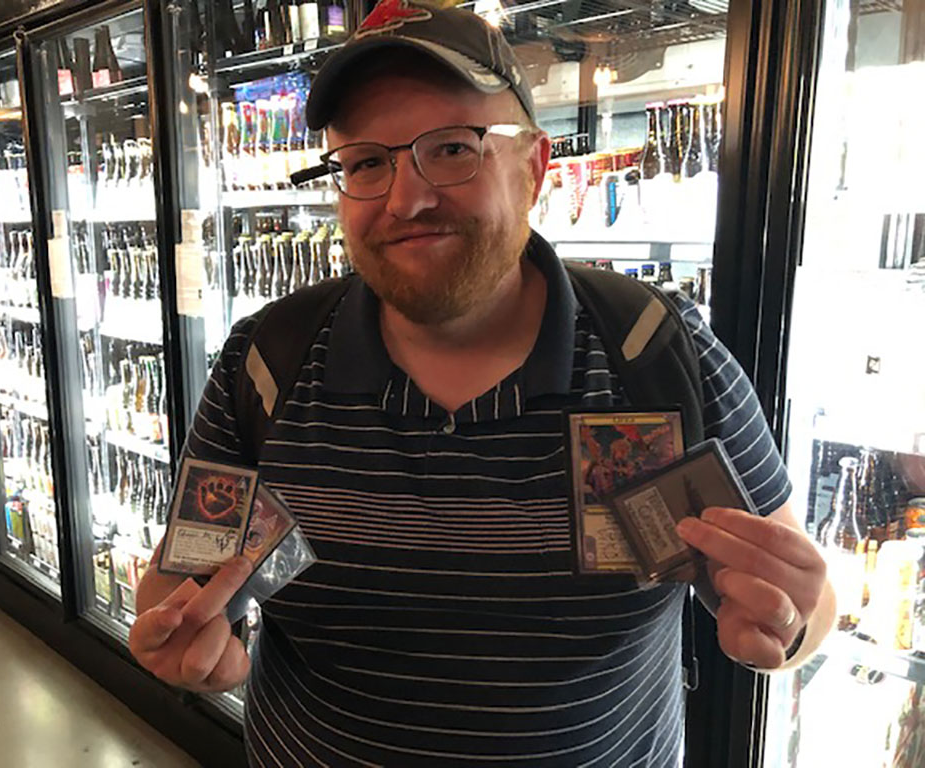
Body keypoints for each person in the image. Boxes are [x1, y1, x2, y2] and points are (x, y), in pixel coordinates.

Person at [129, 1, 835, 764]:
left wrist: (786, 627)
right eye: (366, 163)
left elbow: (805, 599)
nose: (406, 200)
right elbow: (182, 577)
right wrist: (180, 637)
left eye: (452, 149)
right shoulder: (268, 363)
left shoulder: (656, 352)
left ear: (533, 167)